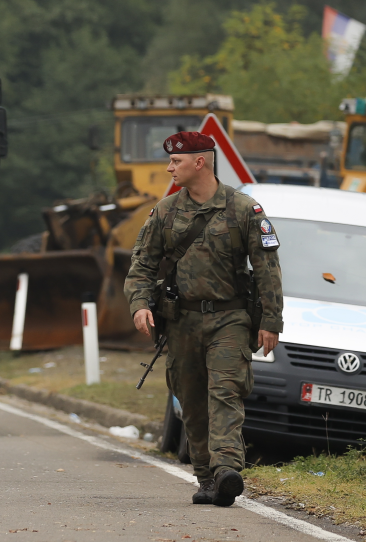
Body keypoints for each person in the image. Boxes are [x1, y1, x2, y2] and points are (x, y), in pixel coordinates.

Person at [125, 131, 282, 507]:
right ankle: (207, 478)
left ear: (200, 162)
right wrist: (140, 305)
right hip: (181, 322)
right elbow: (142, 265)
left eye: (175, 162)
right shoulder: (165, 212)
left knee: (225, 391)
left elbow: (267, 270)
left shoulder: (244, 210)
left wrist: (271, 321)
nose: (169, 168)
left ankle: (227, 467)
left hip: (230, 319)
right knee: (192, 401)